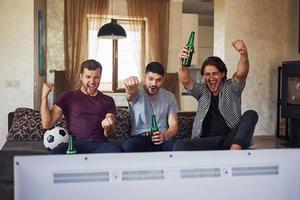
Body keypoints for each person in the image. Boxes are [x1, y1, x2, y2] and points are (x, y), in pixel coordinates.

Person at [174, 40, 258, 151]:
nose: (211, 78)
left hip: (230, 140)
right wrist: (182, 63)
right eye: (207, 74)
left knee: (251, 114)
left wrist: (243, 54)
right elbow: (185, 80)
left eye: (215, 73)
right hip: (206, 141)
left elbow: (241, 74)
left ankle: (234, 151)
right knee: (179, 145)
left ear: (222, 74)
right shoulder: (202, 90)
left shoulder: (232, 88)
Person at [41, 59, 121, 154]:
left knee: (115, 152)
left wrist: (108, 127)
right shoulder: (67, 96)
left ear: (100, 77)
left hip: (99, 144)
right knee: (55, 154)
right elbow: (47, 124)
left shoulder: (108, 100)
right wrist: (44, 97)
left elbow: (110, 132)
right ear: (81, 77)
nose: (92, 81)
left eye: (96, 77)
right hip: (74, 144)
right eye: (88, 77)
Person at [121, 62, 179, 152]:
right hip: (140, 138)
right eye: (150, 79)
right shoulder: (136, 92)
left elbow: (174, 124)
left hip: (162, 138)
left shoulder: (169, 96)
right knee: (128, 145)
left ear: (163, 79)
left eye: (158, 80)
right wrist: (129, 90)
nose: (153, 84)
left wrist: (165, 136)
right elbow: (129, 95)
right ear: (145, 77)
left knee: (177, 145)